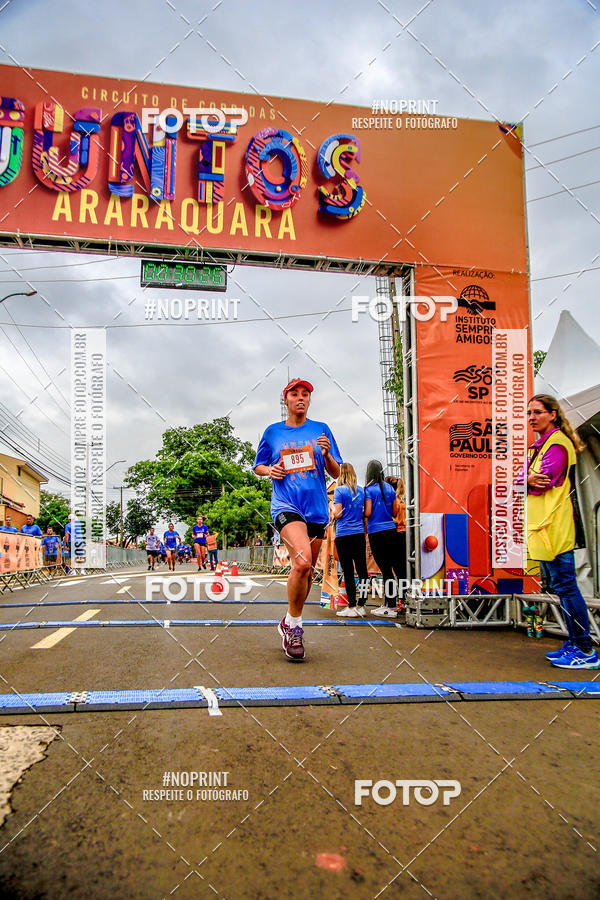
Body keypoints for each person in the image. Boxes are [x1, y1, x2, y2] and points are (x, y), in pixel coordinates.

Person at [254, 378, 342, 661]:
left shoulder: (321, 430)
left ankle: (289, 622)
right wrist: (271, 471)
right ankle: (296, 628)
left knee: (303, 571)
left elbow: (336, 473)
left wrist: (327, 454)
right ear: (286, 400)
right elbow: (258, 465)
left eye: (305, 394)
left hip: (316, 509)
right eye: (295, 394)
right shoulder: (273, 432)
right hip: (286, 504)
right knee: (302, 560)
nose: (301, 398)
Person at [526, 394, 598, 669]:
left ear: (553, 414)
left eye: (537, 412)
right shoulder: (541, 445)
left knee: (567, 587)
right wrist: (525, 478)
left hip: (555, 527)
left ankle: (584, 648)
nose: (532, 417)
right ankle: (574, 642)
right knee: (561, 587)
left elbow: (541, 482)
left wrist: (525, 479)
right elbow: (525, 477)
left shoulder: (557, 443)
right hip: (545, 526)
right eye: (529, 413)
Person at [364, 460, 403, 617]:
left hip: (376, 532)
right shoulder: (389, 488)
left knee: (385, 569)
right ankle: (392, 603)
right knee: (394, 568)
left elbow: (367, 512)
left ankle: (391, 606)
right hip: (390, 530)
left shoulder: (368, 490)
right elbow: (395, 511)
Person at [332, 462, 369, 617]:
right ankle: (362, 604)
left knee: (347, 570)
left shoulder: (339, 490)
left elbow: (337, 514)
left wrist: (331, 507)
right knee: (362, 570)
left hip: (344, 533)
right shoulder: (361, 490)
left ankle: (351, 605)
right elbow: (365, 512)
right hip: (359, 532)